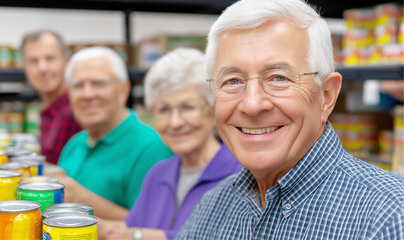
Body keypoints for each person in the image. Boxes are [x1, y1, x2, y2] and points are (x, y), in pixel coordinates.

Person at [176, 0, 404, 239]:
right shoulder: (210, 210)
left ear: (326, 96)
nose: (252, 104)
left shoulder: (388, 216)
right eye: (232, 81)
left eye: (278, 78)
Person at [99, 48, 242, 240]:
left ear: (212, 110)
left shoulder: (240, 174)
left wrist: (139, 236)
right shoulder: (157, 174)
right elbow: (128, 230)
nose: (175, 122)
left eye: (188, 107)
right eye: (164, 109)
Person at [58, 46, 173, 220]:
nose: (87, 94)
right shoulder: (74, 144)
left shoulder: (152, 148)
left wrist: (81, 201)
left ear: (124, 90)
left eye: (99, 83)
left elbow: (153, 229)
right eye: (78, 85)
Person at [21, 30, 81, 165]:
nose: (42, 68)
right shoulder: (49, 111)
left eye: (50, 58)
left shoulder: (77, 110)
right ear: (24, 66)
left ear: (67, 61)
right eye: (33, 61)